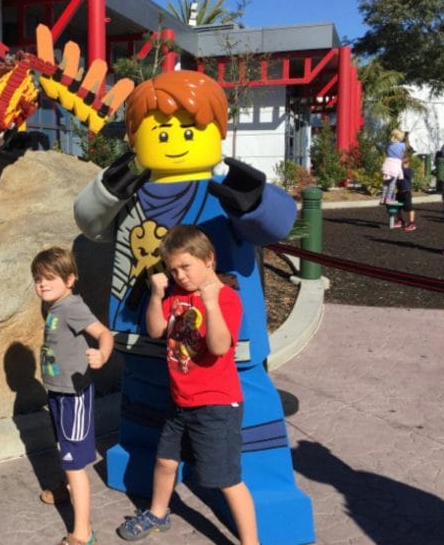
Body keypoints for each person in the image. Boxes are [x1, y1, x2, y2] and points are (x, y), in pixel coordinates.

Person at [74, 70, 313, 543]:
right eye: (160, 132)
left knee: (250, 421)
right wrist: (108, 186)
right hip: (145, 332)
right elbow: (88, 222)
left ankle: (264, 496)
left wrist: (250, 192)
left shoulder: (227, 195)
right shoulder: (128, 192)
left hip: (225, 347)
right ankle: (147, 477)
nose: (175, 140)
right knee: (145, 413)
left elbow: (280, 222)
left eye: (188, 130)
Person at [115, 225, 258, 544]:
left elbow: (220, 347)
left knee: (227, 480)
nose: (179, 275)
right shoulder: (176, 296)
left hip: (216, 406)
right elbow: (154, 330)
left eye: (185, 267)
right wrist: (155, 294)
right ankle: (157, 512)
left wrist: (210, 303)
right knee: (165, 461)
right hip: (180, 402)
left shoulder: (227, 298)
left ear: (209, 259)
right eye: (172, 269)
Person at [31, 246, 115, 545]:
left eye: (49, 278)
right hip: (58, 393)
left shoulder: (72, 307)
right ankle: (66, 490)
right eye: (38, 278)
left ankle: (84, 533)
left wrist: (102, 355)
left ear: (70, 280)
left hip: (73, 396)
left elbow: (105, 333)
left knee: (74, 461)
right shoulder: (55, 307)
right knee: (65, 449)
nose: (42, 284)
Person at [380, 129, 406, 204]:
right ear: (400, 137)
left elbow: (385, 151)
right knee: (392, 184)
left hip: (387, 163)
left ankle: (382, 198)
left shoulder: (388, 144)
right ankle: (388, 199)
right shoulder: (402, 145)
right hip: (395, 164)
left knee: (385, 183)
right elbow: (402, 154)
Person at [394, 156, 416, 231]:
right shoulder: (398, 171)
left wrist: (403, 168)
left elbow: (411, 175)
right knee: (397, 207)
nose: (402, 165)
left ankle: (412, 223)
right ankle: (400, 220)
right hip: (399, 192)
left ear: (407, 163)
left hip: (406, 192)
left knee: (409, 208)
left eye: (405, 163)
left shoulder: (408, 170)